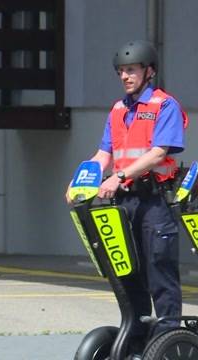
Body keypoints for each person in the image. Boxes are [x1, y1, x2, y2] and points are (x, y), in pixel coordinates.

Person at [66, 40, 188, 338]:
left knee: (159, 269)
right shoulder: (118, 110)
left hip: (155, 202)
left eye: (131, 70)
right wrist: (80, 181)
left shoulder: (164, 105)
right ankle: (137, 333)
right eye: (121, 71)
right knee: (127, 271)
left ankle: (169, 337)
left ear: (149, 72)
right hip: (125, 203)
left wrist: (118, 177)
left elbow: (159, 152)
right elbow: (102, 155)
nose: (125, 77)